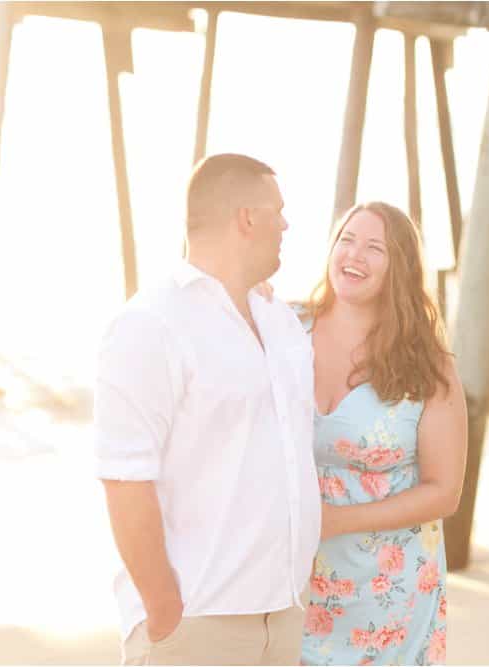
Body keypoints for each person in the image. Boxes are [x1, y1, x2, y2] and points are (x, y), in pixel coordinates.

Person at [93, 153, 320, 666]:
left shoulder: (279, 320)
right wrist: (164, 608)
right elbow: (125, 480)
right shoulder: (150, 325)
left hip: (283, 619)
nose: (286, 224)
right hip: (197, 623)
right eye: (277, 211)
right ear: (247, 218)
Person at [298, 202, 468, 666]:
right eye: (347, 240)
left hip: (391, 595)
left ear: (401, 269)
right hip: (294, 580)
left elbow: (444, 492)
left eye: (375, 248)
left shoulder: (428, 365)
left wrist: (334, 521)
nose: (355, 255)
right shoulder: (287, 331)